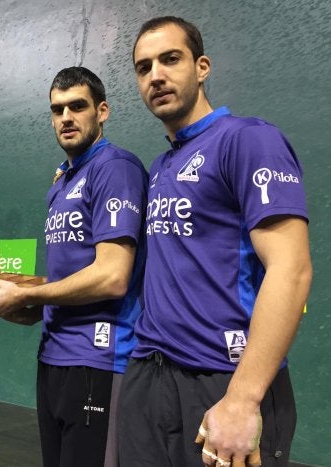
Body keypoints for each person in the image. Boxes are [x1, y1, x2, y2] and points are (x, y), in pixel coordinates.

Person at [117, 16, 313, 467]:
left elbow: (292, 269)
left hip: (224, 381)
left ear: (202, 67)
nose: (156, 76)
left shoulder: (249, 140)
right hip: (149, 376)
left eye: (170, 60)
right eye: (144, 68)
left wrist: (243, 399)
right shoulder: (162, 166)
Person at [0, 67, 148, 467]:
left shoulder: (115, 168)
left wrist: (28, 294)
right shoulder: (62, 181)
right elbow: (70, 280)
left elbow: (112, 276)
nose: (66, 117)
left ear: (102, 111)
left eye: (77, 106)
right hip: (54, 355)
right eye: (57, 109)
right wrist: (24, 309)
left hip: (100, 360)